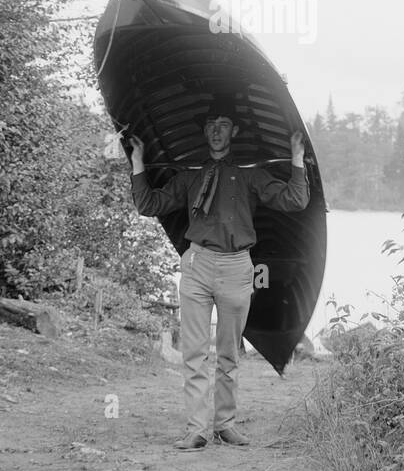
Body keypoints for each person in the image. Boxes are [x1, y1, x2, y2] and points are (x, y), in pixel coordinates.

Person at [128, 95, 309, 450]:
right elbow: (149, 204)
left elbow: (295, 200)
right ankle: (198, 429)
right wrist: (137, 162)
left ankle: (225, 424)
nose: (216, 132)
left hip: (237, 267)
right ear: (204, 131)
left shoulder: (251, 175)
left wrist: (297, 158)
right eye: (211, 126)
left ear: (234, 131)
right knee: (194, 352)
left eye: (223, 125)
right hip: (195, 265)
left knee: (228, 353)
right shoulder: (190, 177)